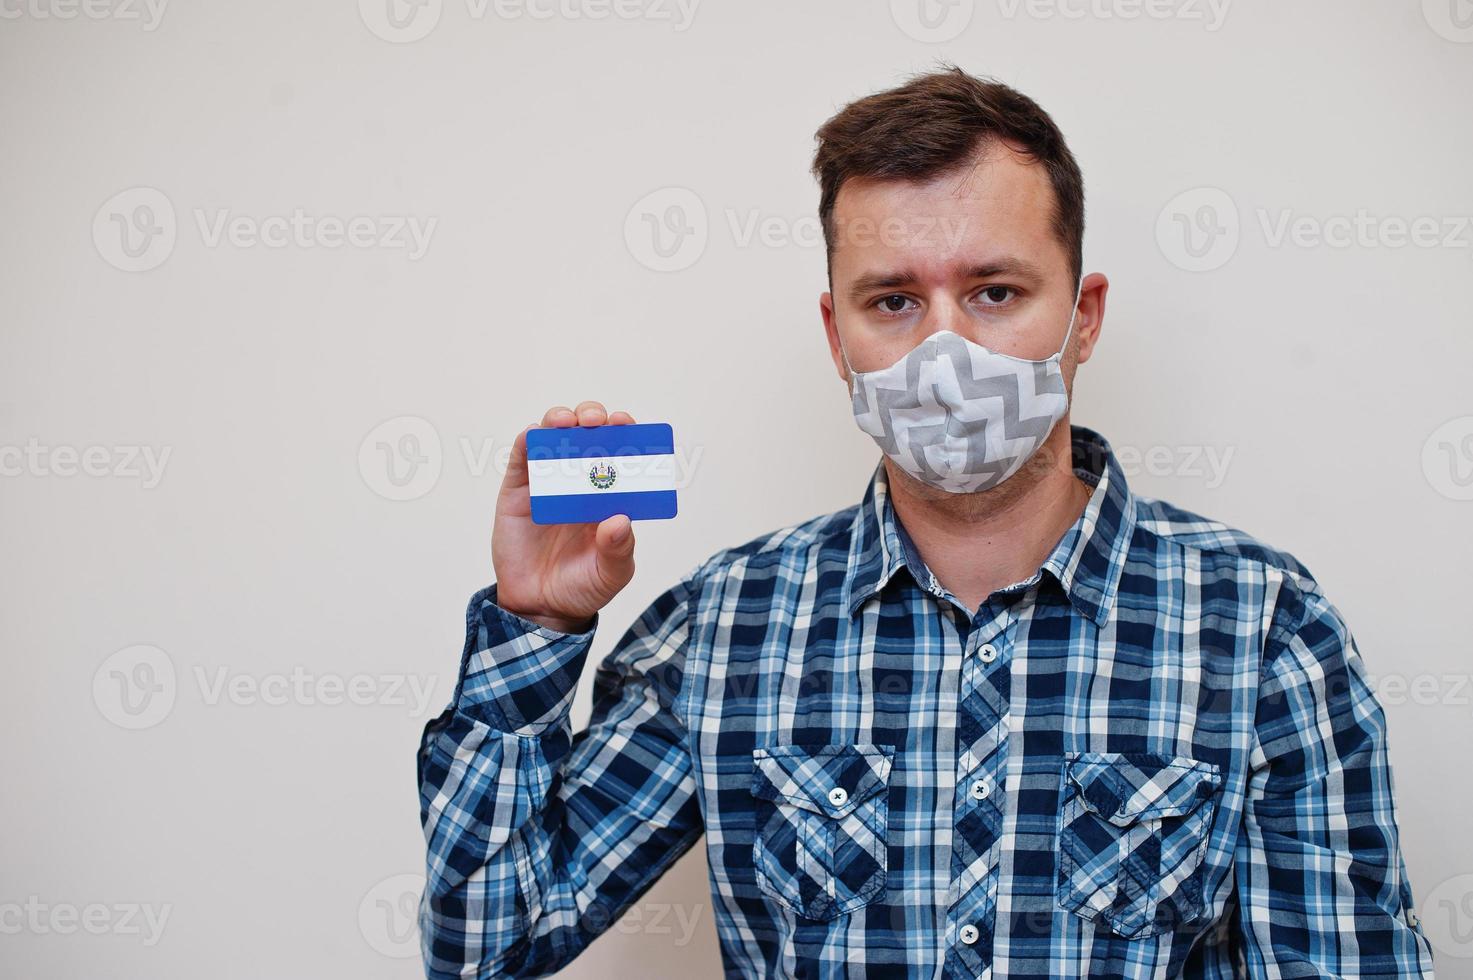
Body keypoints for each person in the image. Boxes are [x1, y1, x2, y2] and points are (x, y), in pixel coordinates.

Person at [416, 66, 1435, 978]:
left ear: (1083, 315)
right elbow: (488, 941)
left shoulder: (1260, 625)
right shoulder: (727, 625)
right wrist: (535, 627)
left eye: (996, 290)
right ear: (836, 331)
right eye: (894, 300)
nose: (945, 354)